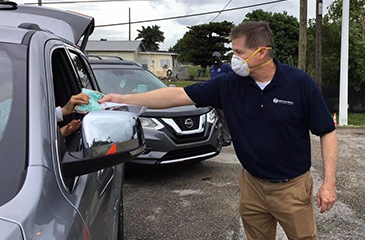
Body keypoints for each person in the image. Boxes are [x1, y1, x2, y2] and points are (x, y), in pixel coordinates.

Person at [99, 21, 338, 240]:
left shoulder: (299, 84)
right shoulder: (229, 84)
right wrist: (123, 99)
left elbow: (327, 131)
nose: (233, 59)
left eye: (238, 53)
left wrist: (328, 184)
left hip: (292, 188)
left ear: (262, 52)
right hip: (252, 185)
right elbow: (177, 95)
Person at [209, 51, 233, 146]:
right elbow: (210, 79)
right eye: (213, 58)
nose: (215, 60)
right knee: (217, 117)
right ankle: (221, 136)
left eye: (217, 58)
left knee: (225, 117)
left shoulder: (225, 67)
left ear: (220, 58)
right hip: (215, 96)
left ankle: (227, 138)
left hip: (224, 95)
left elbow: (232, 77)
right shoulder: (211, 68)